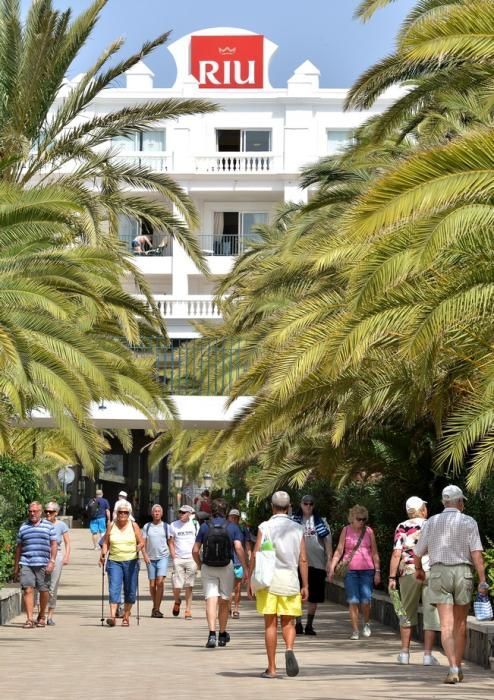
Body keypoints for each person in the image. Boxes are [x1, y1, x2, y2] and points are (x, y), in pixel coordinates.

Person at [414, 485, 487, 684]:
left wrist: (419, 569)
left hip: (438, 573)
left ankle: (453, 668)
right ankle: (458, 666)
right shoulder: (468, 521)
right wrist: (482, 580)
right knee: (460, 624)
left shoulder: (432, 522)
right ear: (460, 502)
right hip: (462, 572)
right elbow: (476, 553)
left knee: (445, 625)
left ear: (444, 502)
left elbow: (418, 551)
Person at [248, 491, 308, 679]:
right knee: (289, 622)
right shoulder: (297, 528)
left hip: (268, 581)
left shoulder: (265, 527)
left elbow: (256, 554)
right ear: (289, 507)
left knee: (270, 624)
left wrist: (250, 579)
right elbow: (303, 559)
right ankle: (289, 648)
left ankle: (272, 668)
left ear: (272, 507)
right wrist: (305, 585)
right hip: (290, 579)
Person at [388, 496, 440, 665]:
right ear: (422, 509)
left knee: (406, 613)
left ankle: (404, 654)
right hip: (430, 572)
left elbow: (397, 553)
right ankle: (427, 656)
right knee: (431, 613)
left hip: (408, 572)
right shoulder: (431, 524)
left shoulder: (401, 526)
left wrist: (391, 577)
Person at [192, 498, 248, 648]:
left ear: (212, 510)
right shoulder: (232, 527)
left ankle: (211, 634)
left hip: (208, 566)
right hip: (226, 566)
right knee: (224, 601)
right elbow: (239, 548)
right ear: (226, 511)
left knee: (210, 600)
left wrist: (200, 564)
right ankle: (222, 634)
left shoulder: (204, 527)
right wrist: (246, 567)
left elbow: (195, 550)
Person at [329, 504, 381, 640]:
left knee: (365, 600)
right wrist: (332, 568)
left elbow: (374, 552)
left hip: (367, 570)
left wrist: (378, 571)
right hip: (350, 570)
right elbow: (339, 550)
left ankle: (367, 623)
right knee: (353, 600)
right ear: (352, 518)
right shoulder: (346, 530)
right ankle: (355, 630)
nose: (362, 522)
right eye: (359, 519)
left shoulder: (369, 531)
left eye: (364, 519)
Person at [99, 499, 145, 627]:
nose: (123, 515)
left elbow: (141, 541)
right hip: (114, 561)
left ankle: (126, 616)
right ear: (116, 513)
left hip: (131, 561)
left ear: (129, 514)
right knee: (114, 588)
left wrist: (139, 547)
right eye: (120, 512)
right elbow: (105, 542)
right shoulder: (111, 525)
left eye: (125, 512)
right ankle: (113, 616)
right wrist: (103, 554)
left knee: (130, 590)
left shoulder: (134, 525)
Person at [13, 502, 58, 628]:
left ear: (40, 512)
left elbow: (54, 544)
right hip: (26, 562)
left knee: (44, 590)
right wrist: (16, 567)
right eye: (30, 511)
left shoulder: (48, 526)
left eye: (35, 511)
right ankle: (29, 619)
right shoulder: (23, 527)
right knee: (27, 589)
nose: (32, 513)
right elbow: (19, 547)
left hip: (43, 563)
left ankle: (42, 616)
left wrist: (52, 561)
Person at [292, 494, 332, 635]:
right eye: (305, 503)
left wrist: (329, 561)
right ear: (301, 504)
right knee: (297, 594)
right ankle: (298, 624)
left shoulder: (321, 522)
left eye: (311, 504)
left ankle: (309, 625)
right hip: (297, 564)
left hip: (317, 564)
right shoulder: (294, 521)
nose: (308, 506)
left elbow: (327, 542)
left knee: (314, 597)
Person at [42, 501, 71, 626]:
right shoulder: (41, 523)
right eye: (46, 511)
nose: (48, 513)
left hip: (57, 556)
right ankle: (41, 615)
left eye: (51, 511)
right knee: (42, 587)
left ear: (56, 513)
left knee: (52, 587)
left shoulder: (61, 525)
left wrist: (66, 556)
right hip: (41, 555)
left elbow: (67, 542)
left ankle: (50, 616)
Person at [168, 505, 198, 620]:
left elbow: (199, 541)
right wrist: (174, 556)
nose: (181, 514)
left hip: (191, 558)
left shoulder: (195, 524)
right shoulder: (173, 525)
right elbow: (170, 542)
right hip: (179, 558)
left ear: (190, 514)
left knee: (189, 585)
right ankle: (177, 600)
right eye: (180, 512)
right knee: (177, 585)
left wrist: (197, 556)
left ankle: (188, 610)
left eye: (184, 512)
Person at [142, 504, 169, 618]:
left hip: (163, 557)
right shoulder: (147, 527)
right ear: (152, 513)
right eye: (155, 511)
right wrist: (144, 555)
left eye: (159, 511)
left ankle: (156, 608)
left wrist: (174, 555)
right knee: (152, 585)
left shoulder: (166, 527)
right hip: (150, 558)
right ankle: (155, 606)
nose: (157, 513)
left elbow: (171, 542)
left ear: (162, 514)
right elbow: (143, 543)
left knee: (160, 582)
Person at [227, 508, 251, 618]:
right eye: (231, 517)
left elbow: (246, 544)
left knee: (237, 588)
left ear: (238, 518)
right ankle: (228, 608)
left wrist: (249, 556)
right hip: (228, 562)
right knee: (228, 588)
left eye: (235, 517)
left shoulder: (243, 529)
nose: (233, 519)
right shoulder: (225, 528)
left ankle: (236, 609)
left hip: (239, 563)